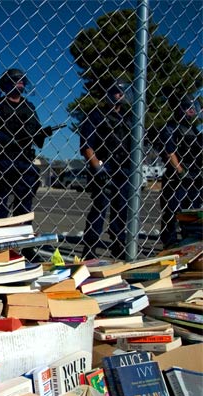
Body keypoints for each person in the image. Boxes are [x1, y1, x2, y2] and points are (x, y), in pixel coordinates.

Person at [0, 68, 53, 220]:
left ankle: (22, 231)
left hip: (24, 159)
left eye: (22, 81)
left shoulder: (29, 107)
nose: (20, 84)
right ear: (6, 84)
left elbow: (36, 131)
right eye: (16, 81)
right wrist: (3, 139)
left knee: (25, 204)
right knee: (0, 204)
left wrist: (41, 134)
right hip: (2, 159)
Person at [79, 79, 134, 260]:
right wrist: (98, 168)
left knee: (122, 208)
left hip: (123, 167)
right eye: (116, 91)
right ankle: (90, 248)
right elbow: (86, 146)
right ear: (108, 94)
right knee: (100, 207)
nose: (120, 95)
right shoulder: (96, 116)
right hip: (104, 166)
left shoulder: (128, 118)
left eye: (122, 92)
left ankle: (118, 244)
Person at [159, 95, 202, 248]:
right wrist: (179, 170)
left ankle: (188, 241)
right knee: (172, 211)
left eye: (193, 108)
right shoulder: (171, 128)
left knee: (191, 213)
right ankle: (169, 242)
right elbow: (169, 151)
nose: (192, 111)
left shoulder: (194, 130)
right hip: (178, 176)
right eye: (188, 108)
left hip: (195, 176)